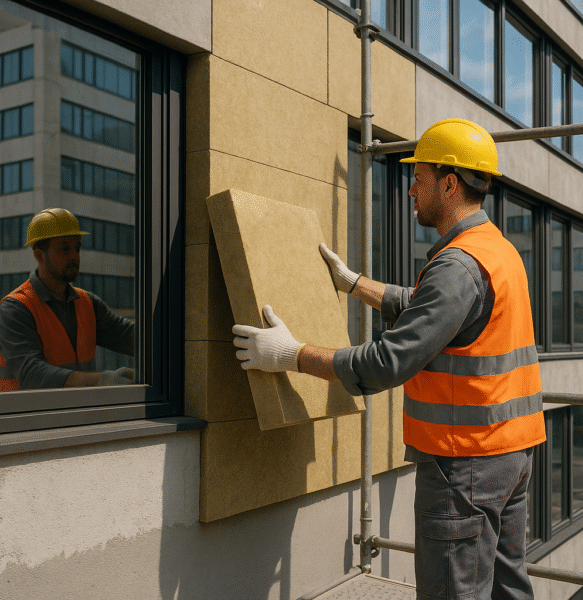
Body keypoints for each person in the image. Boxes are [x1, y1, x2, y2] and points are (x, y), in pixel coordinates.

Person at [232, 119, 547, 600]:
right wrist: (354, 283)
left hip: (465, 466)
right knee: (508, 590)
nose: (409, 191)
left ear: (449, 182)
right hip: (510, 455)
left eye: (418, 178)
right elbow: (433, 310)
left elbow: (386, 362)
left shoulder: (458, 265)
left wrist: (291, 355)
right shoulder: (495, 251)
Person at [0, 207, 135, 390]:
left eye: (77, 248)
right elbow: (32, 373)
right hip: (24, 417)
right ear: (40, 256)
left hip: (75, 413)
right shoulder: (15, 309)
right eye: (65, 249)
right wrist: (103, 380)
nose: (74, 256)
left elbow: (127, 336)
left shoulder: (87, 303)